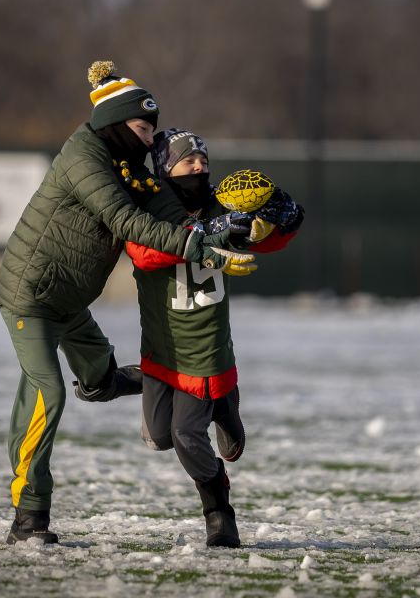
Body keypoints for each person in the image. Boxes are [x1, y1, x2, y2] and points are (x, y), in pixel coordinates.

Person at [0, 63, 258, 545]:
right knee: (46, 393)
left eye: (151, 131)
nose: (146, 140)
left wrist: (232, 222)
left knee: (99, 379)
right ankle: (29, 515)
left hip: (69, 297)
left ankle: (114, 381)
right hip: (29, 296)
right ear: (115, 123)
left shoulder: (127, 161)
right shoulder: (84, 157)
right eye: (141, 129)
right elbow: (125, 218)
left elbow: (168, 204)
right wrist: (199, 243)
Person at [123, 128, 304, 547]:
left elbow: (262, 239)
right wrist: (208, 232)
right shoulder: (149, 207)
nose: (199, 168)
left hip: (203, 344)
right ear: (167, 168)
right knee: (158, 437)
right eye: (189, 162)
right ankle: (221, 402)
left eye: (203, 161)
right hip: (160, 343)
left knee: (187, 435)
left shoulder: (219, 202)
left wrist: (282, 219)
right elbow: (144, 253)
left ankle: (218, 510)